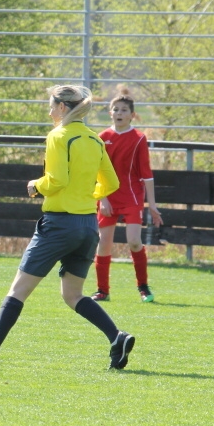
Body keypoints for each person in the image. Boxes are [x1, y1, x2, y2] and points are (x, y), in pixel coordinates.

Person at [0, 85, 136, 370]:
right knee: (73, 295)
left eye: (51, 106)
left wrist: (35, 186)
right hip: (87, 226)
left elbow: (55, 180)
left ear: (62, 108)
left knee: (17, 291)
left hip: (59, 224)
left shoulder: (58, 136)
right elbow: (112, 184)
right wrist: (86, 197)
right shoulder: (95, 140)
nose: (49, 112)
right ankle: (116, 336)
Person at [92, 86, 163, 303]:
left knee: (134, 241)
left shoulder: (139, 138)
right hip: (108, 198)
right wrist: (102, 198)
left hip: (131, 197)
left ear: (132, 115)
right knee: (104, 244)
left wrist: (152, 204)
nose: (119, 113)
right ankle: (102, 290)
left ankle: (143, 287)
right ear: (110, 112)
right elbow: (95, 171)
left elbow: (146, 174)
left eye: (124, 110)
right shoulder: (101, 137)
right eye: (116, 109)